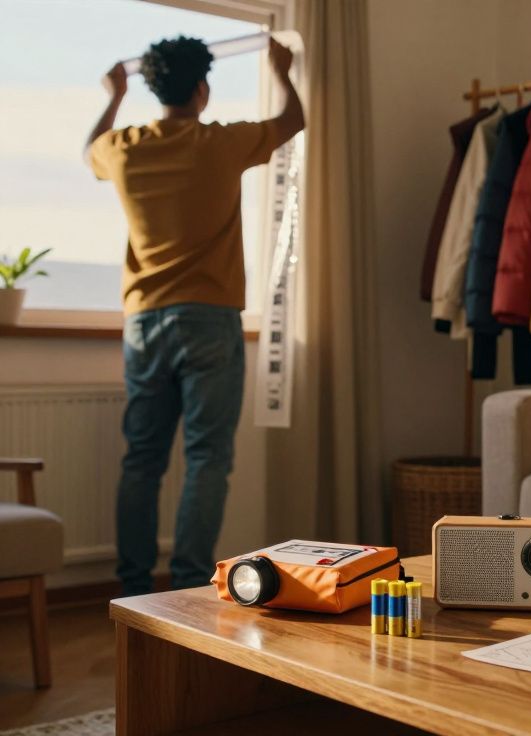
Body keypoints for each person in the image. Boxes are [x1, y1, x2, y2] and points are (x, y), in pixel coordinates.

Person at [85, 36, 304, 595]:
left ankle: (132, 589)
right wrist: (282, 70)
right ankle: (185, 586)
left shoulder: (125, 147)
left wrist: (114, 95)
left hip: (145, 323)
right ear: (202, 90)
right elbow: (291, 120)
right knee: (207, 460)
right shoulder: (222, 142)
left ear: (153, 88)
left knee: (142, 461)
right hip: (209, 320)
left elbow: (91, 148)